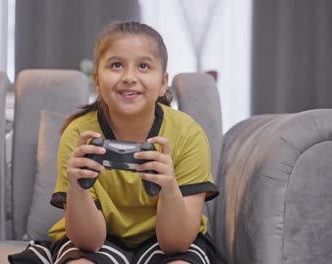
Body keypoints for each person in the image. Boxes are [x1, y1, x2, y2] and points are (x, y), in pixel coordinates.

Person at [43, 21, 225, 264]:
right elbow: (89, 242)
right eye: (116, 65)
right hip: (99, 238)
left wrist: (169, 188)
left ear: (162, 82)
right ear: (97, 80)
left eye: (143, 66)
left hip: (167, 238)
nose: (129, 77)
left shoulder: (187, 133)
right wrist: (78, 188)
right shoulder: (79, 135)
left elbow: (176, 243)